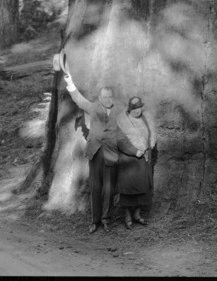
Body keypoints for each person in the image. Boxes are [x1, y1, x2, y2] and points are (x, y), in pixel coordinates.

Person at [64, 73, 119, 234]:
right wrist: (69, 82)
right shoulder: (93, 107)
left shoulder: (119, 112)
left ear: (112, 98)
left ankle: (106, 219)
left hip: (111, 154)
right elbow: (79, 100)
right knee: (95, 187)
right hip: (95, 153)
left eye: (109, 96)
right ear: (100, 98)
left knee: (109, 189)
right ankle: (95, 221)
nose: (107, 99)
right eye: (104, 96)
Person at [115, 96, 157, 230]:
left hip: (143, 159)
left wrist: (148, 146)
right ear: (129, 109)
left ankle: (137, 214)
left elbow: (151, 134)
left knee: (143, 189)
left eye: (139, 108)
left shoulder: (146, 118)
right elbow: (120, 140)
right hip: (129, 160)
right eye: (134, 109)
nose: (137, 111)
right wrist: (134, 151)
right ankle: (127, 216)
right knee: (128, 190)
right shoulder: (122, 120)